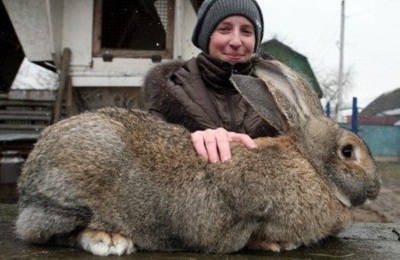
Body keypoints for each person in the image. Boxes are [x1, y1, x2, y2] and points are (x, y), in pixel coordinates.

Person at [143, 0, 279, 163]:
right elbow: (149, 153)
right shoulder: (172, 91)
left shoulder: (277, 100)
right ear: (207, 37)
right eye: (224, 29)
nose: (236, 41)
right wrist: (184, 141)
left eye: (246, 31)